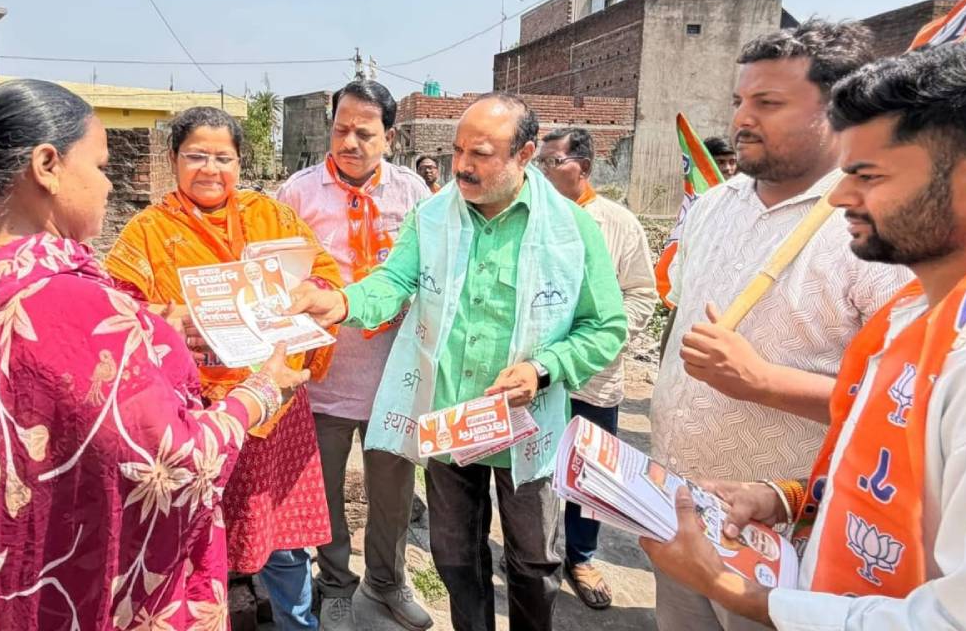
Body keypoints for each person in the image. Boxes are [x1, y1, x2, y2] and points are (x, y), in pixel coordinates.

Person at [0, 79, 306, 630]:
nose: (110, 185)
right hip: (57, 583)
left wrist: (151, 330)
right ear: (47, 166)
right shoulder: (69, 300)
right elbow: (176, 462)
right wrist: (261, 391)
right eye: (99, 166)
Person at [642, 36, 966, 631]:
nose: (842, 198)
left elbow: (950, 614)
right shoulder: (716, 207)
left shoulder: (923, 296)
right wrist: (788, 496)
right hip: (719, 512)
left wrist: (762, 382)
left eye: (868, 175)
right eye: (739, 101)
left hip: (799, 575)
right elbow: (878, 427)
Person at [290, 93, 627, 631]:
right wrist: (343, 303)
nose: (462, 166)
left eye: (481, 154)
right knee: (455, 560)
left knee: (534, 565)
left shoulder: (571, 228)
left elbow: (606, 327)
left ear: (524, 154)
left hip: (527, 427)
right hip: (451, 423)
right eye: (458, 150)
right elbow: (394, 281)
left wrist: (544, 368)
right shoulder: (432, 217)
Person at [105, 105, 343, 630]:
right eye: (196, 156)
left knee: (282, 538)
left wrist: (309, 292)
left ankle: (296, 622)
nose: (211, 169)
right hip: (194, 414)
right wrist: (172, 318)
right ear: (173, 159)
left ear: (239, 163)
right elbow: (116, 310)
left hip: (274, 405)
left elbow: (322, 272)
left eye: (223, 158)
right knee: (189, 530)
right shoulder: (147, 231)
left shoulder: (270, 216)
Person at [276, 80, 433, 631]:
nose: (350, 142)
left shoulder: (414, 193)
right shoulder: (298, 194)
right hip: (323, 378)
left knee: (393, 491)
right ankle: (336, 583)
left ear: (390, 136)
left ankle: (387, 581)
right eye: (341, 129)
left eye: (364, 133)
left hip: (395, 377)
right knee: (324, 492)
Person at [536, 127, 659, 610]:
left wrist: (602, 340)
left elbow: (642, 293)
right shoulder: (532, 215)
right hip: (537, 373)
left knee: (588, 471)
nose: (541, 171)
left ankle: (582, 556)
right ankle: (534, 552)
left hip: (593, 376)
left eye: (551, 162)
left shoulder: (618, 224)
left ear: (582, 168)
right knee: (536, 468)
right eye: (539, 162)